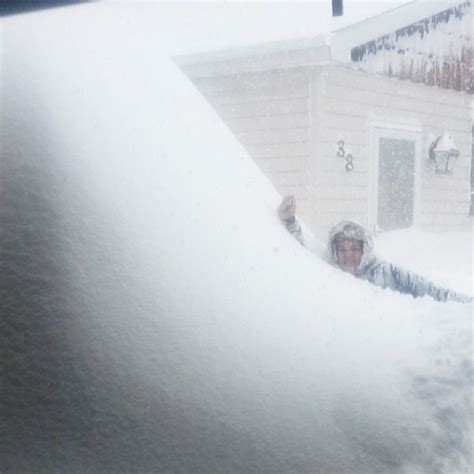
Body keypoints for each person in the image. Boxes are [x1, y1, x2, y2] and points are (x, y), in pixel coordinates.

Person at [278, 195, 472, 303]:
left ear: (365, 250)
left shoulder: (387, 272)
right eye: (343, 249)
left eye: (354, 248)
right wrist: (289, 221)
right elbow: (303, 255)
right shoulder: (328, 270)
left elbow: (433, 292)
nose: (348, 256)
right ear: (334, 250)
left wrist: (467, 304)